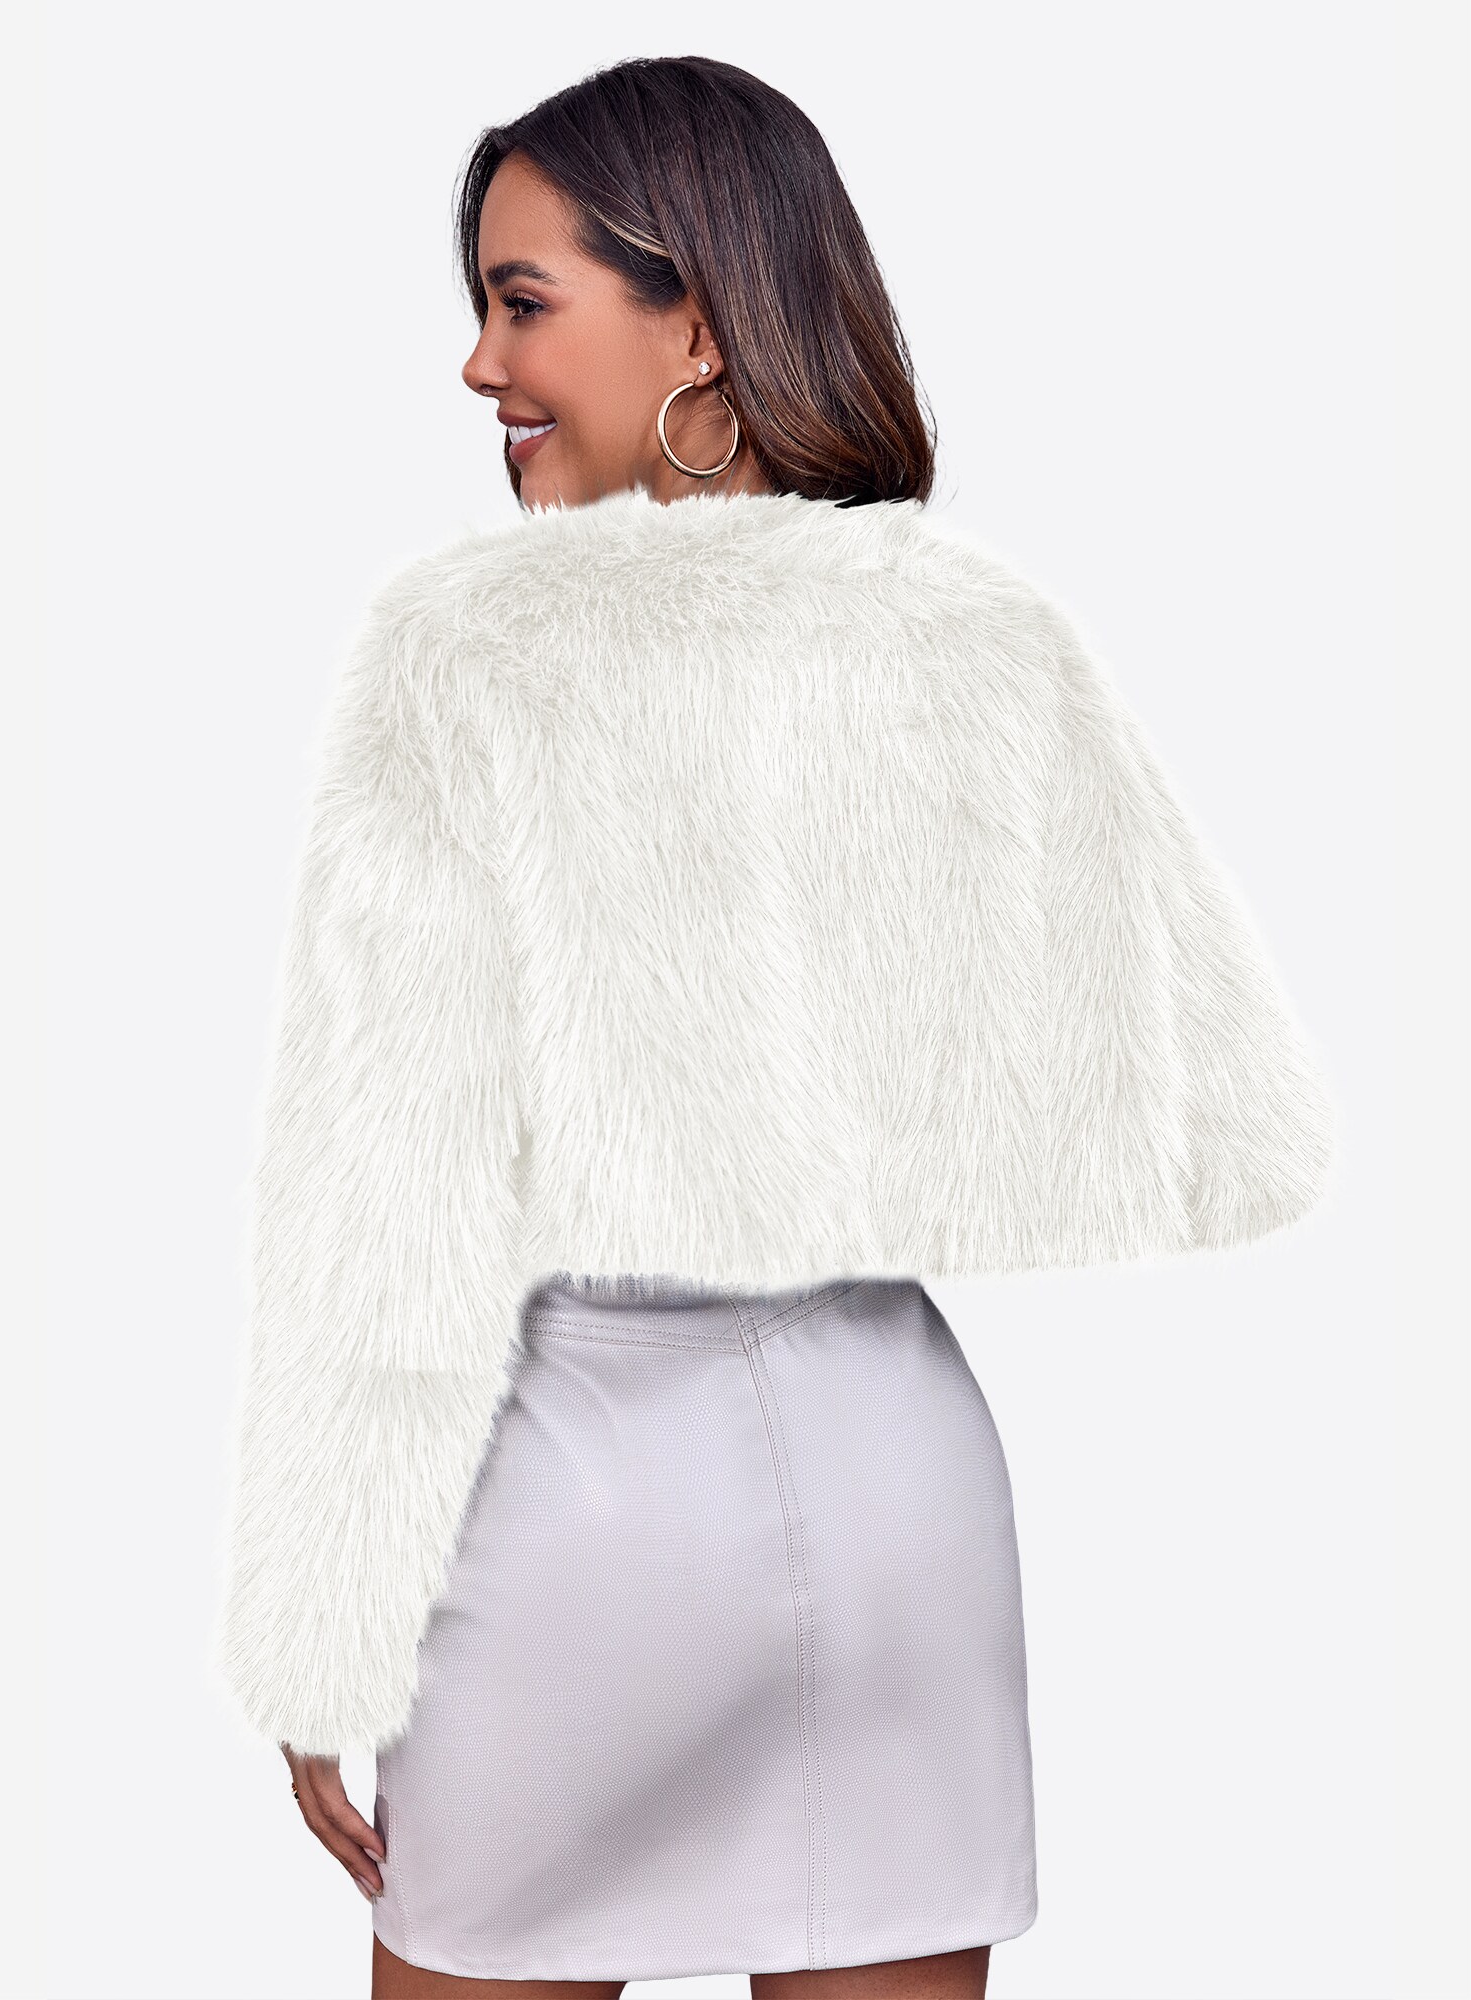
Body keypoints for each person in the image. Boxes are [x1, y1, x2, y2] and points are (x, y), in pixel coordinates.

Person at [212, 56, 1336, 2000]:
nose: (480, 365)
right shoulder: (982, 639)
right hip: (894, 1486)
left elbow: (383, 1201)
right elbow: (1234, 1129)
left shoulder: (470, 660)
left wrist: (319, 1638)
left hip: (569, 1517)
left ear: (702, 322)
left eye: (523, 303)